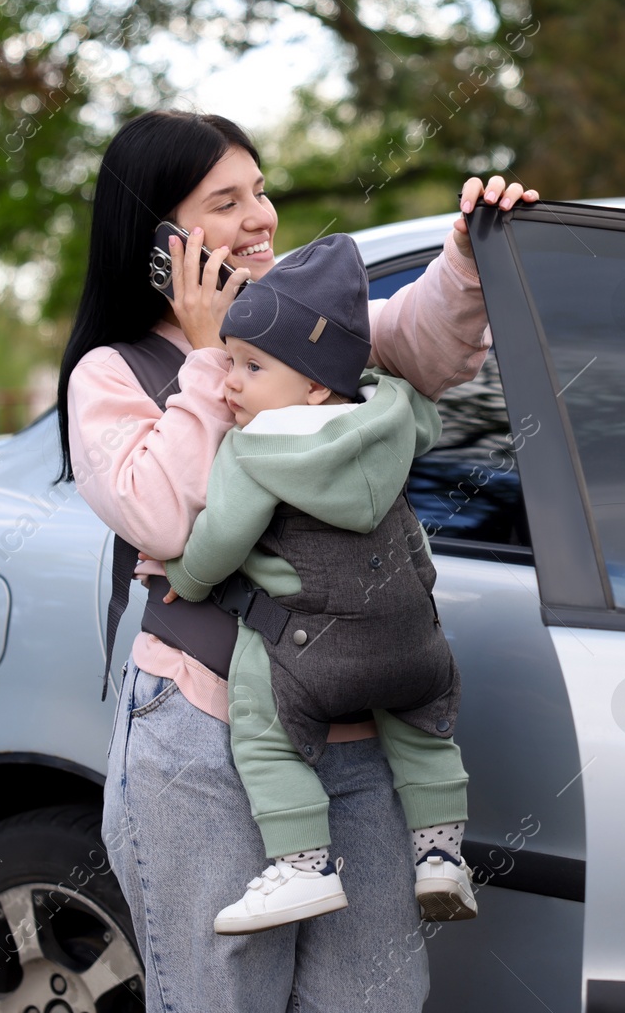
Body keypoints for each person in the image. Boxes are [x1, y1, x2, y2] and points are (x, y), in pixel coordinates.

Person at [55, 108, 538, 1013]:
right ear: (162, 238)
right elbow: (164, 514)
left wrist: (467, 261)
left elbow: (421, 340)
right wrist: (209, 358)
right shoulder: (113, 376)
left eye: (262, 190)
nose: (261, 217)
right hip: (203, 745)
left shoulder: (307, 326)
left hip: (359, 739)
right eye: (225, 202)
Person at [156, 232, 473, 936]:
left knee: (263, 733)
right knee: (424, 738)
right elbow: (429, 416)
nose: (229, 381)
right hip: (412, 643)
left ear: (311, 385)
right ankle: (441, 854)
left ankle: (302, 866)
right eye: (230, 361)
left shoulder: (252, 449)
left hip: (313, 654)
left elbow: (219, 541)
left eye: (250, 365)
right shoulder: (390, 412)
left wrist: (187, 577)